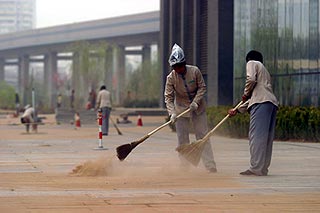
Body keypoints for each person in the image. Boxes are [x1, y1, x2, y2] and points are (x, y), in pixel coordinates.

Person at [164, 44, 217, 173]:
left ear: (184, 63)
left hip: (198, 108)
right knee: (182, 139)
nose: (178, 69)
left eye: (180, 66)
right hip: (181, 110)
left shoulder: (195, 71)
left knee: (203, 136)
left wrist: (196, 102)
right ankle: (184, 166)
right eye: (175, 67)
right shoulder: (171, 78)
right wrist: (172, 113)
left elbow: (202, 88)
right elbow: (168, 98)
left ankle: (210, 165)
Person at [228, 50, 278, 176]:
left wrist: (245, 93)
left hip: (261, 103)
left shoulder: (252, 62)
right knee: (266, 138)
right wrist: (237, 110)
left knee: (256, 137)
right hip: (270, 103)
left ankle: (255, 168)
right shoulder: (264, 71)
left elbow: (250, 79)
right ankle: (263, 168)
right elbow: (255, 96)